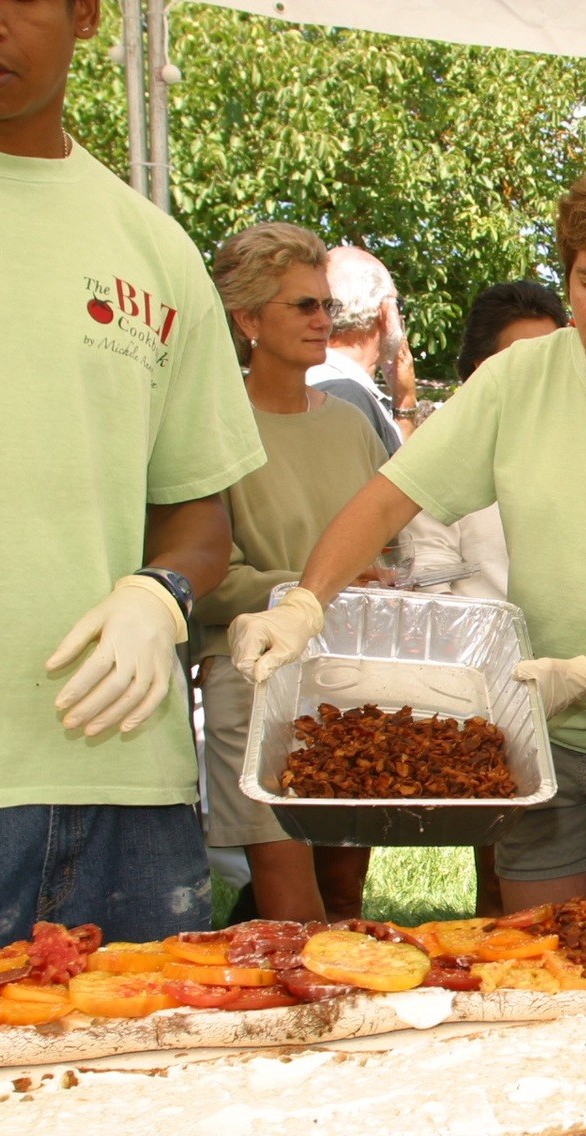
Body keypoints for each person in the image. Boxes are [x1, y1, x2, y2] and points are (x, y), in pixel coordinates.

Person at [229, 160, 586, 912]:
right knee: (540, 942)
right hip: (535, 732)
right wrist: (304, 604)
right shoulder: (521, 376)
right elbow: (388, 500)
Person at [0, 0, 264, 958]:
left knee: (129, 1097)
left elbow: (201, 522)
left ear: (87, 14)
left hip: (129, 789)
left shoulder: (152, 248)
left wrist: (158, 595)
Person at [193, 222, 390, 922]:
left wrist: (383, 579)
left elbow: (392, 548)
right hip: (253, 677)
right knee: (290, 901)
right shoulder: (209, 428)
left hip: (352, 677)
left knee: (344, 893)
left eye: (325, 304)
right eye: (301, 305)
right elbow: (206, 580)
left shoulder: (351, 425)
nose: (322, 320)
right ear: (247, 319)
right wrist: (312, 588)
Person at [403, 279, 567, 918]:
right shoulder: (440, 453)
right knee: (511, 883)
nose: (539, 375)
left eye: (554, 357)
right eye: (516, 360)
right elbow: (431, 589)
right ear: (476, 373)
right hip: (494, 699)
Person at [402, 280, 571, 606]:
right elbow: (428, 581)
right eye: (526, 358)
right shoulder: (439, 452)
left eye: (554, 358)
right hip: (480, 647)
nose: (546, 372)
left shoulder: (585, 446)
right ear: (482, 368)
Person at [308, 245, 414, 457]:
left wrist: (402, 402)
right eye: (398, 304)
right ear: (385, 311)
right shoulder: (346, 394)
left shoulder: (317, 379)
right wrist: (407, 404)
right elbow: (389, 486)